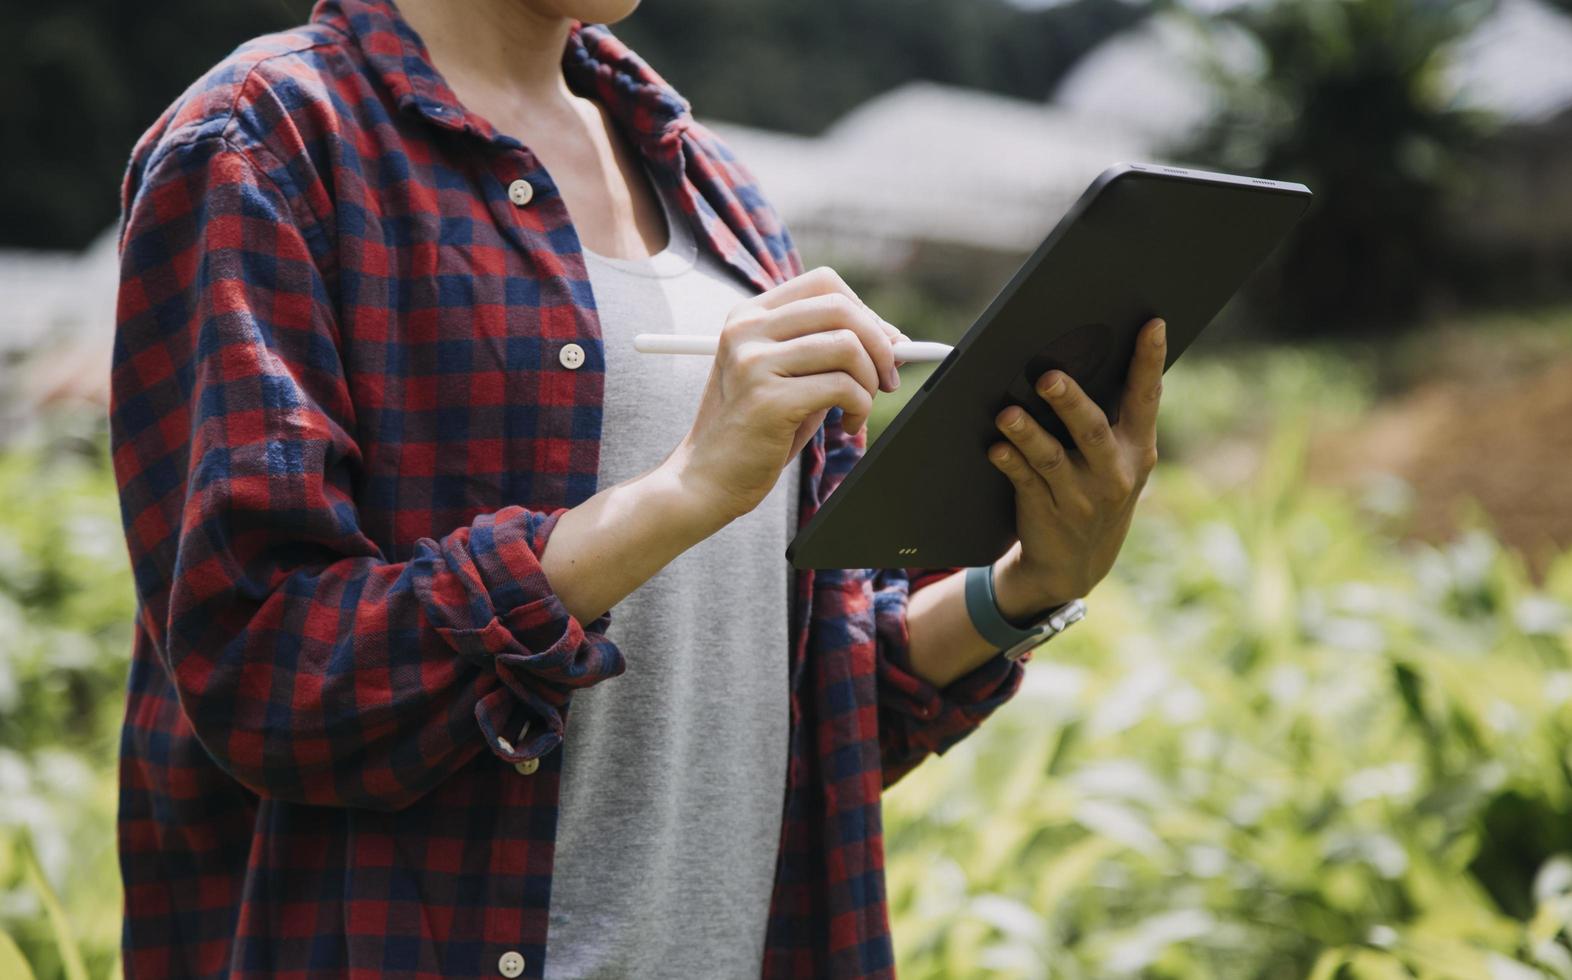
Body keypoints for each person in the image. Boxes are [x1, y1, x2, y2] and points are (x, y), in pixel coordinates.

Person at [108, 0, 1166, 976]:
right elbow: (265, 673)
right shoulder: (265, 141)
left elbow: (809, 696)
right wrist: (677, 494)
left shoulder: (714, 189)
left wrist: (1024, 585)